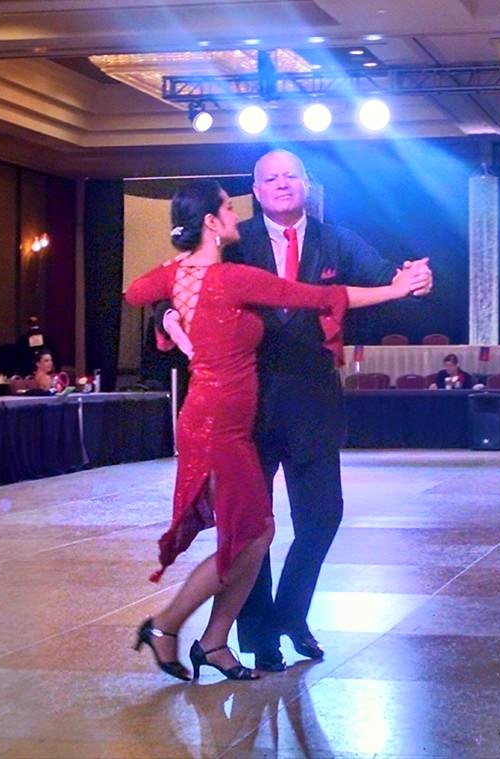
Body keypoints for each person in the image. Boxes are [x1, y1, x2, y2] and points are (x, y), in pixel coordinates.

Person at [126, 179, 428, 682]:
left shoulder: (196, 270)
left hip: (263, 410)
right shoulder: (235, 267)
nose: (235, 212)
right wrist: (176, 321)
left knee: (277, 527)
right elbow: (316, 296)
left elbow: (139, 289)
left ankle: (233, 633)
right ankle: (187, 629)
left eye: (290, 176)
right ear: (216, 218)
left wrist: (406, 283)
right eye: (229, 205)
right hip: (229, 418)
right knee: (249, 534)